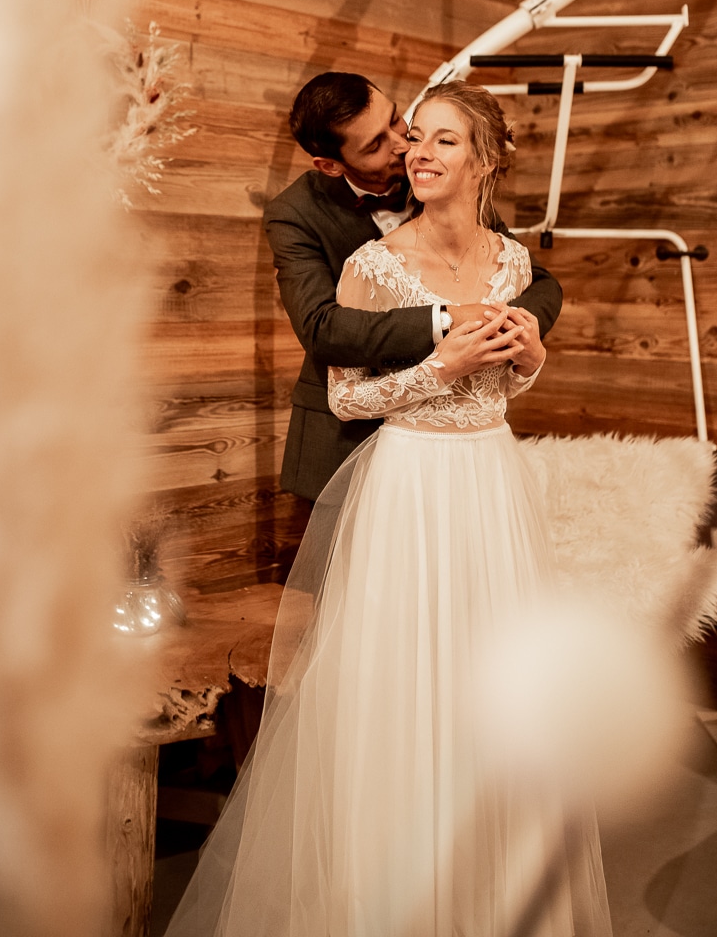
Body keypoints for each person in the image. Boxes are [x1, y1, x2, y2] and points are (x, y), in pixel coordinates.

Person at [165, 80, 612, 937]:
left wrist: (528, 349)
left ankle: (496, 884)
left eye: (433, 135)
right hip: (403, 486)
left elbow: (526, 325)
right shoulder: (340, 243)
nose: (411, 148)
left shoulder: (507, 254)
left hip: (490, 487)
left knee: (497, 681)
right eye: (400, 141)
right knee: (391, 685)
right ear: (331, 158)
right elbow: (335, 364)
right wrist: (442, 356)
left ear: (484, 160)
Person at [264, 70, 562, 500]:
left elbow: (533, 278)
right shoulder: (294, 213)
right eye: (375, 144)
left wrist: (517, 336)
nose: (403, 145)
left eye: (396, 120)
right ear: (330, 165)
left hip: (471, 451)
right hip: (344, 438)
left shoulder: (442, 173)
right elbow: (322, 330)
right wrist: (448, 321)